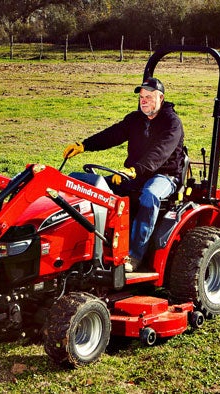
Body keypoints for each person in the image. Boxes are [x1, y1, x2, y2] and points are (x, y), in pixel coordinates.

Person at [63, 77, 185, 272]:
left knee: (150, 195)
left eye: (148, 97)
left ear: (160, 98)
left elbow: (160, 152)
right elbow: (112, 134)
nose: (143, 100)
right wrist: (84, 145)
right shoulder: (135, 119)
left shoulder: (172, 123)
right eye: (141, 97)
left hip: (165, 176)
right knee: (94, 186)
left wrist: (135, 170)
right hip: (136, 174)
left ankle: (134, 255)